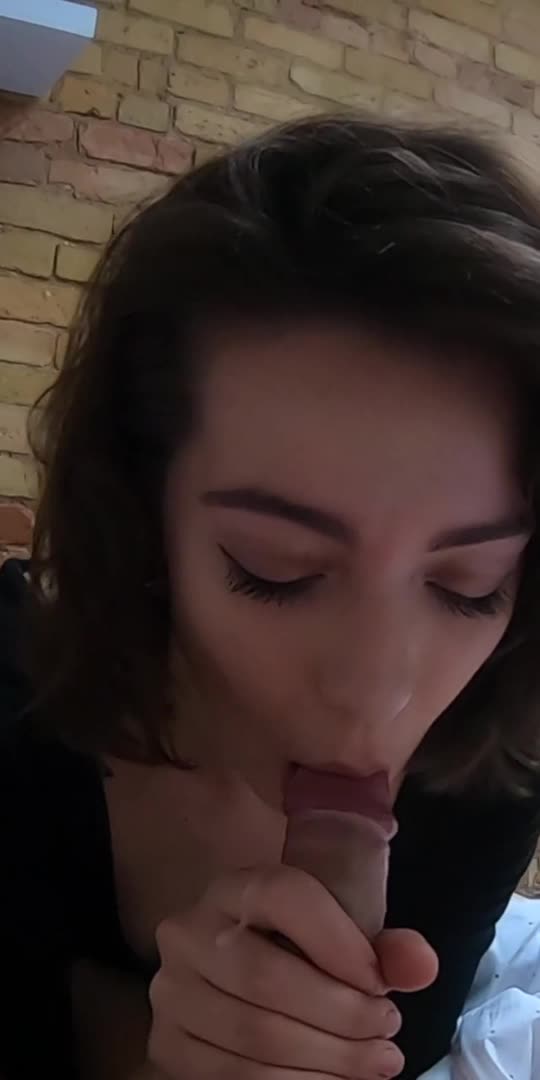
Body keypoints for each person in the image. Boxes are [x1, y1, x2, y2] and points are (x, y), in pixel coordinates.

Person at [3, 113, 540, 1080]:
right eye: (275, 568)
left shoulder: (491, 774)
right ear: (143, 521)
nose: (375, 693)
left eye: (469, 587)